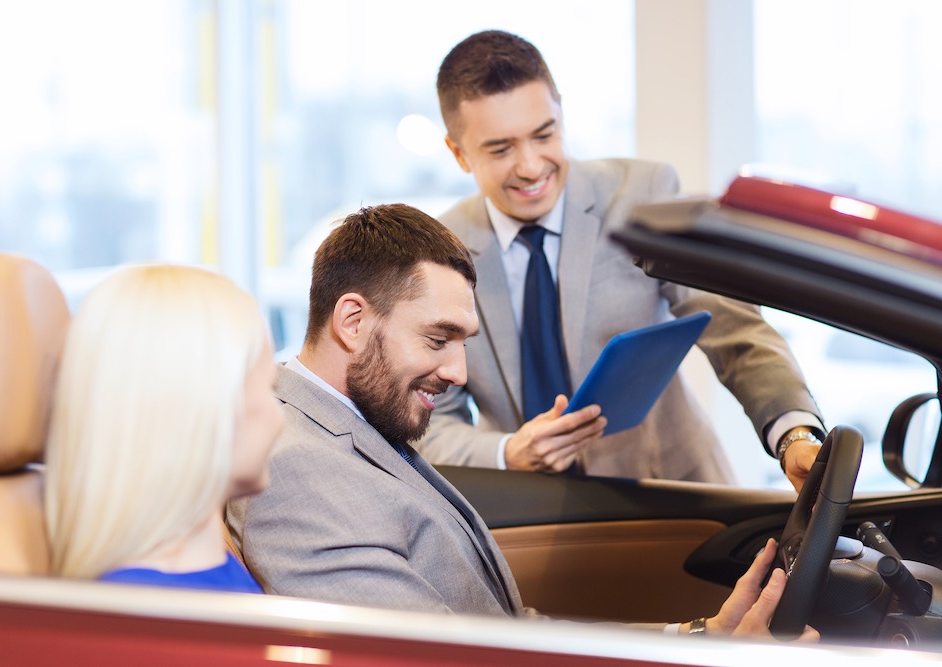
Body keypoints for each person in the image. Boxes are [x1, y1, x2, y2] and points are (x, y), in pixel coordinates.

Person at [228, 202, 817, 640]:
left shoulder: (357, 420)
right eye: (438, 339)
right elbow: (442, 664)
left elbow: (502, 631)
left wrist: (695, 643)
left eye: (465, 344)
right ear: (352, 321)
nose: (459, 373)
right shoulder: (296, 468)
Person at [416, 29, 825, 491]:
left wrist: (795, 433)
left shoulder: (642, 195)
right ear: (458, 153)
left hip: (670, 489)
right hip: (532, 511)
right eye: (501, 149)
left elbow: (735, 330)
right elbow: (432, 422)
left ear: (561, 115)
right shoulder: (438, 250)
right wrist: (507, 452)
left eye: (544, 134)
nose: (531, 166)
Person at [45, 264, 284, 593]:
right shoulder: (149, 619)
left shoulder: (201, 572)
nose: (279, 418)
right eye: (269, 390)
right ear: (204, 410)